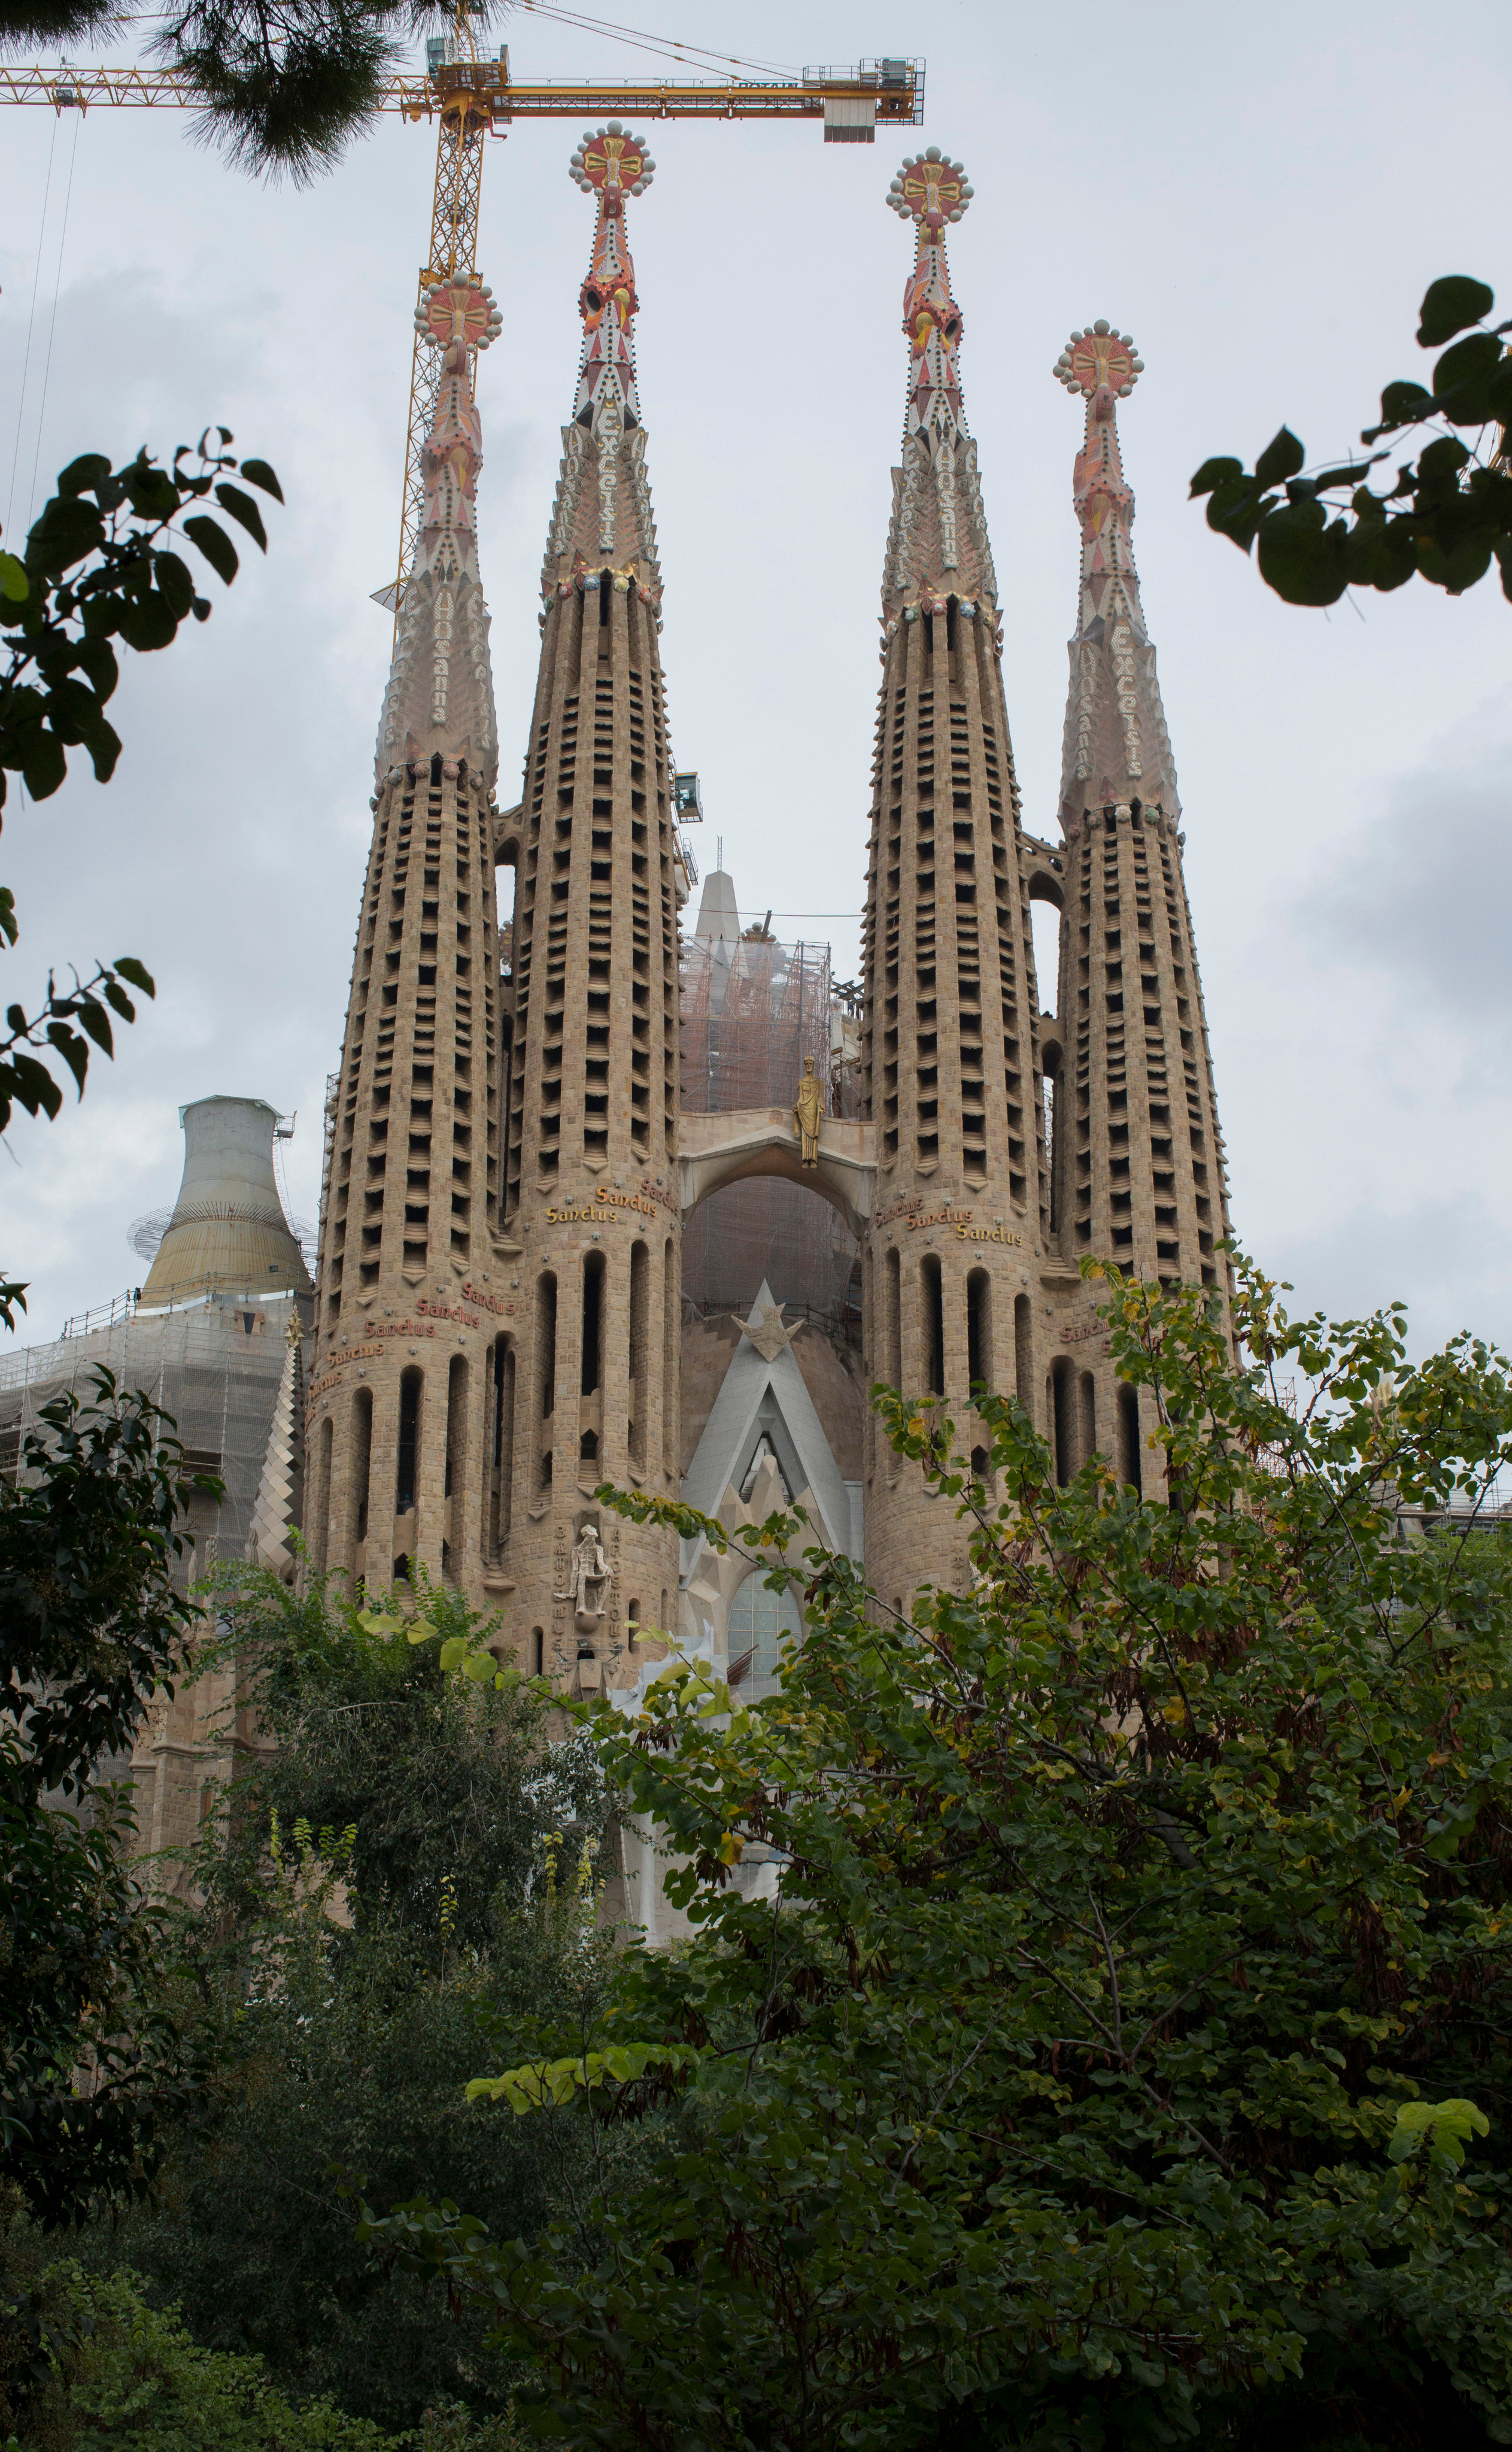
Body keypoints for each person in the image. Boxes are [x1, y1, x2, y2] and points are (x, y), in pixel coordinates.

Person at [793, 1055, 823, 1167]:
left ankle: (813, 1160)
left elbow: (820, 1097)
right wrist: (797, 1106)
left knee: (814, 1135)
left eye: (811, 1064)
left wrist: (821, 1106)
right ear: (805, 1066)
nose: (809, 1066)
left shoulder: (819, 1082)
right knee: (806, 1136)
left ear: (814, 1066)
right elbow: (801, 1097)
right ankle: (806, 1159)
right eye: (807, 1064)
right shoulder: (801, 1082)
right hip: (804, 1110)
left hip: (814, 1111)